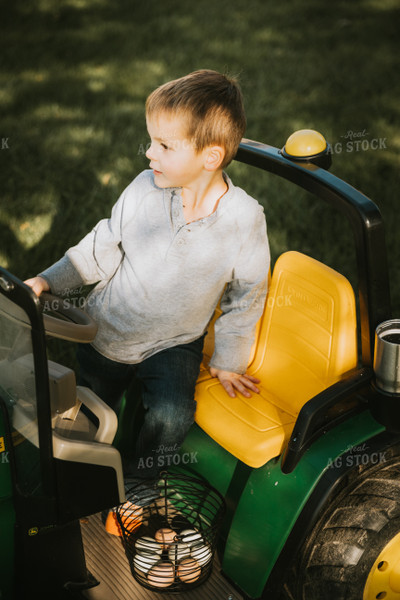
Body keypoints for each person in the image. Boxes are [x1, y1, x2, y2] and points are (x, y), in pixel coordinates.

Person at [25, 69, 270, 504]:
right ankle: (76, 475)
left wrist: (229, 358)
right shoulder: (144, 189)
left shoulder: (244, 219)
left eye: (163, 146)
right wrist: (47, 281)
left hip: (175, 342)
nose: (148, 153)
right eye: (151, 141)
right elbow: (102, 246)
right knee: (85, 408)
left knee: (173, 415)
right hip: (109, 329)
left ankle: (140, 488)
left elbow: (246, 293)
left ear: (210, 157)